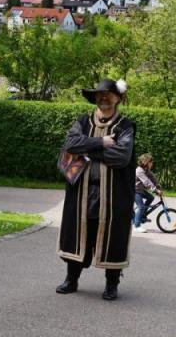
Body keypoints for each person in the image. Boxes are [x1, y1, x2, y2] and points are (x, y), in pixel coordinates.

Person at [56, 78, 136, 301]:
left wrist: (88, 150)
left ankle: (112, 285)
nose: (103, 98)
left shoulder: (125, 126)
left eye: (108, 95)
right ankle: (71, 280)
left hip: (113, 195)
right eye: (100, 95)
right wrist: (101, 143)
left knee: (112, 238)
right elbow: (71, 145)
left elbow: (121, 157)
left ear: (118, 98)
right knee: (80, 235)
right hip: (81, 192)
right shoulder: (82, 121)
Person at [134, 153, 160, 233]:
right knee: (141, 207)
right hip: (135, 190)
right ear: (145, 162)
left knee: (151, 197)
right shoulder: (139, 171)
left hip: (140, 190)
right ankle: (137, 226)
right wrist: (155, 190)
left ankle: (142, 215)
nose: (152, 164)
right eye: (150, 162)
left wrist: (158, 186)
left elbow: (152, 177)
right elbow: (147, 182)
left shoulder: (146, 170)